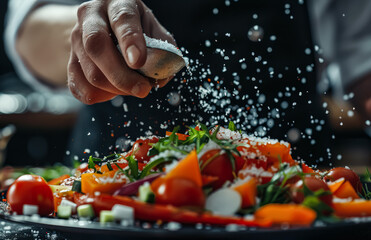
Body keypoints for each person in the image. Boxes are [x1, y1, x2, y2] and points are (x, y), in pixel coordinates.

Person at [4, 0, 371, 165]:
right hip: (116, 192)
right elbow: (28, 33)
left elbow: (364, 64)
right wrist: (89, 29)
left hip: (293, 197)